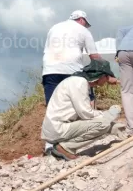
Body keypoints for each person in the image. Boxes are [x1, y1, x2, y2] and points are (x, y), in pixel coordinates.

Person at [41, 10, 118, 155]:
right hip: (71, 69)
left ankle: (49, 146)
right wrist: (109, 75)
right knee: (83, 103)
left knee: (54, 105)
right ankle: (71, 142)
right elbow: (95, 57)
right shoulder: (83, 30)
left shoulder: (54, 28)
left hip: (50, 70)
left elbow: (47, 50)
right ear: (82, 20)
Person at [41, 59, 123, 161]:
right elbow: (85, 114)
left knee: (103, 122)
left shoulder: (77, 81)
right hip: (59, 128)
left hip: (58, 127)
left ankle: (123, 132)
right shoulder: (79, 83)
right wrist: (108, 114)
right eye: (106, 77)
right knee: (103, 124)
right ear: (101, 76)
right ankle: (65, 147)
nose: (107, 80)